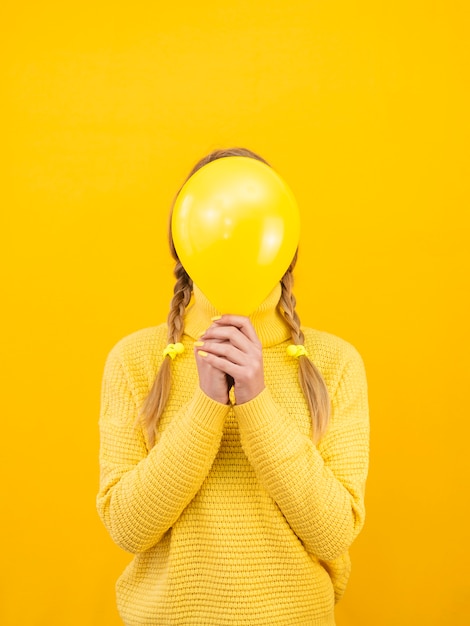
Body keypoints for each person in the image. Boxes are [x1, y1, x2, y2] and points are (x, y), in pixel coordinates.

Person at [97, 147, 370, 626]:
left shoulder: (336, 363)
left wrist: (256, 403)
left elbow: (333, 535)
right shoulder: (134, 360)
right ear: (185, 240)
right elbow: (127, 527)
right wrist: (205, 404)